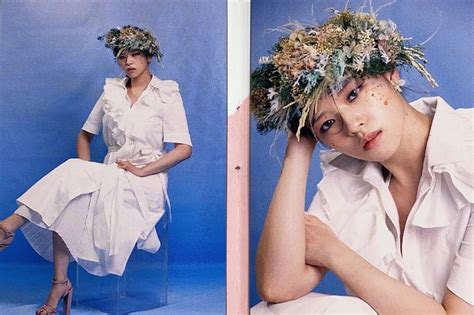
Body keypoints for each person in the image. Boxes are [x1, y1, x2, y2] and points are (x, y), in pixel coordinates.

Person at [250, 10, 473, 314]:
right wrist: (298, 153)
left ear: (390, 72)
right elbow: (277, 285)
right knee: (275, 310)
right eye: (328, 124)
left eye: (354, 93)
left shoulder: (467, 152)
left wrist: (333, 252)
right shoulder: (348, 178)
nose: (353, 126)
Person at [0, 25, 192, 315]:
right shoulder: (111, 92)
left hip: (145, 180)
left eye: (135, 54)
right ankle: (60, 282)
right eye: (121, 56)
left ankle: (11, 224)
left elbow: (183, 149)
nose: (128, 62)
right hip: (108, 174)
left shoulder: (166, 94)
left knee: (72, 175)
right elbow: (84, 136)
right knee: (70, 197)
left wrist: (143, 171)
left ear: (149, 56)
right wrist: (87, 175)